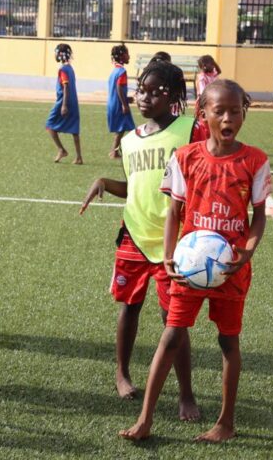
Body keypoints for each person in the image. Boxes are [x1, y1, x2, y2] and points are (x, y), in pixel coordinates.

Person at [120, 79, 273, 443]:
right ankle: (145, 420)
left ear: (243, 114)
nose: (227, 117)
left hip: (231, 268)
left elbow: (260, 215)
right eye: (218, 111)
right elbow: (174, 211)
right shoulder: (186, 157)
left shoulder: (255, 161)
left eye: (235, 111)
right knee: (171, 335)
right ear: (203, 114)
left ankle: (225, 423)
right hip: (189, 266)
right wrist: (169, 255)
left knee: (228, 342)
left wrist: (246, 252)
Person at [80, 61, 205, 419]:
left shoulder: (190, 131)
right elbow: (135, 187)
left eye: (156, 91)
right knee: (128, 307)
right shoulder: (130, 139)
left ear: (175, 96)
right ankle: (122, 372)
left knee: (174, 318)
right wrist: (106, 182)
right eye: (142, 90)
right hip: (134, 235)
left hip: (175, 242)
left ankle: (186, 394)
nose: (145, 97)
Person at [45, 43, 82, 164]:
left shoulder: (63, 69)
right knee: (74, 130)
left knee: (49, 125)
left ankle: (61, 149)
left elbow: (65, 86)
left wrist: (64, 105)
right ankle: (79, 157)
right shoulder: (70, 68)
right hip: (74, 101)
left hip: (63, 101)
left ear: (60, 55)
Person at [106, 44, 134, 158]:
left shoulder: (114, 71)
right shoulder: (122, 71)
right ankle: (117, 151)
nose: (129, 57)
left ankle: (114, 151)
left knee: (122, 129)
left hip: (113, 103)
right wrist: (124, 103)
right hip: (119, 104)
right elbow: (118, 88)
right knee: (130, 129)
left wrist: (127, 99)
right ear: (122, 56)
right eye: (127, 54)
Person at [193, 55, 221, 130]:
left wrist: (213, 63)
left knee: (213, 122)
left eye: (213, 64)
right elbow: (203, 93)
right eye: (211, 64)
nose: (213, 66)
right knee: (204, 123)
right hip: (204, 102)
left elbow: (219, 71)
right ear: (204, 66)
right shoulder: (202, 77)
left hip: (213, 100)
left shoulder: (212, 73)